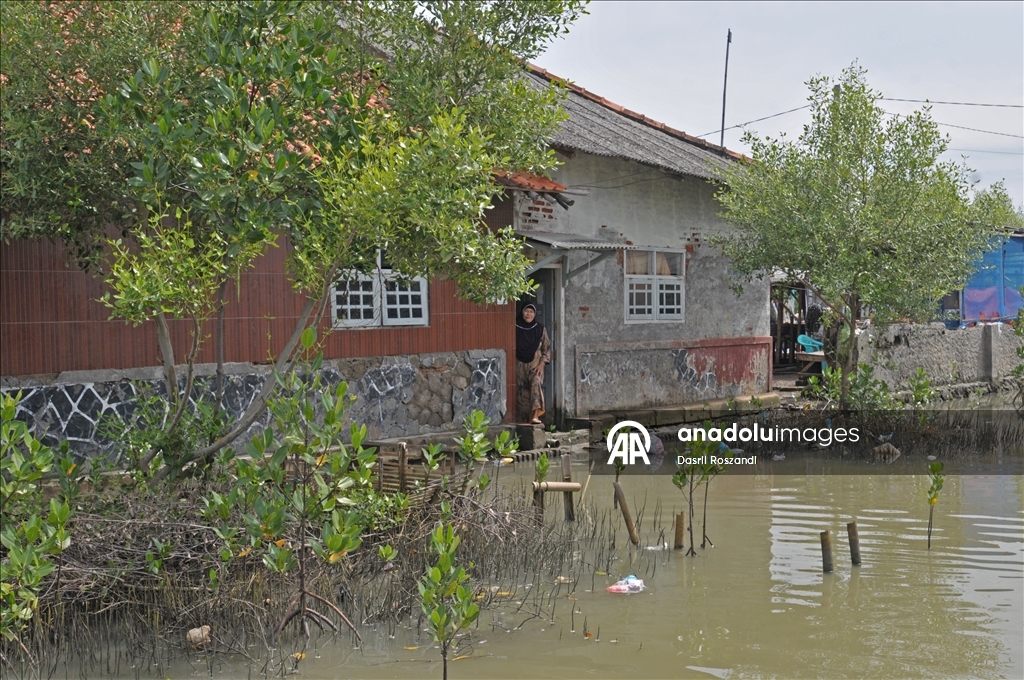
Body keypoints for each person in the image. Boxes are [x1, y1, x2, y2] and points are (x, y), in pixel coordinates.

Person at [515, 303, 550, 425]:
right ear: (522, 312)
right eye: (526, 311)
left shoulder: (540, 329)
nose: (528, 314)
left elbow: (546, 349)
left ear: (534, 314)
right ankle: (523, 421)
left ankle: (535, 415)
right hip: (519, 366)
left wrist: (542, 365)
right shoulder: (515, 327)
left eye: (531, 312)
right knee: (521, 392)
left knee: (535, 383)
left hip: (535, 365)